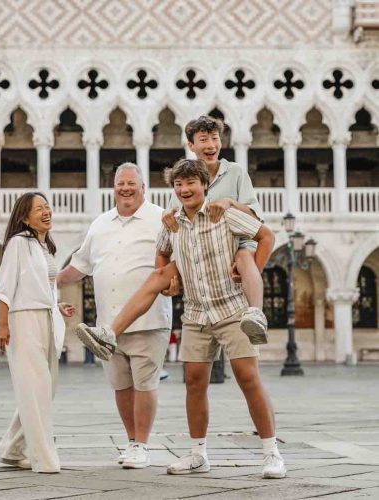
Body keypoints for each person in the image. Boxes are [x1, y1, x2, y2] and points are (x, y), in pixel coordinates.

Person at [76, 159, 286, 479]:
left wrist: (249, 271)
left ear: (204, 185)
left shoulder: (223, 212)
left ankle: (272, 453)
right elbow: (162, 252)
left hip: (231, 310)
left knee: (247, 377)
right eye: (179, 185)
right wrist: (170, 279)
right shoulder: (171, 222)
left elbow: (267, 236)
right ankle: (198, 454)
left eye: (191, 183)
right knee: (194, 383)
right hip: (196, 314)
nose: (185, 190)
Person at [57, 163, 174, 469]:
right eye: (120, 183)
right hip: (107, 325)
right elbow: (77, 267)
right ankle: (132, 441)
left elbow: (178, 261)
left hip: (149, 321)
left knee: (145, 384)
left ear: (143, 188)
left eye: (131, 183)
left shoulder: (160, 218)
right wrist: (47, 279)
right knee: (121, 386)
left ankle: (142, 445)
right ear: (113, 188)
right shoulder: (100, 224)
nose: (125, 188)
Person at [164, 115, 268, 344]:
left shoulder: (236, 172)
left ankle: (255, 314)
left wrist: (231, 203)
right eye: (203, 139)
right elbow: (177, 219)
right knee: (162, 273)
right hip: (201, 251)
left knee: (243, 257)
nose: (211, 145)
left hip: (236, 245)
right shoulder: (185, 175)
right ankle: (111, 330)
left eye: (215, 138)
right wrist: (166, 216)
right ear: (191, 145)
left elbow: (256, 217)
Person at [0, 192, 75, 473]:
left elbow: (43, 287)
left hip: (47, 318)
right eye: (38, 209)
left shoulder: (45, 247)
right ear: (24, 217)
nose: (46, 212)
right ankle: (44, 459)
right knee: (35, 390)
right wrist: (3, 325)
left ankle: (11, 449)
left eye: (47, 206)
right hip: (22, 322)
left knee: (44, 388)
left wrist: (57, 304)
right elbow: (4, 287)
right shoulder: (18, 243)